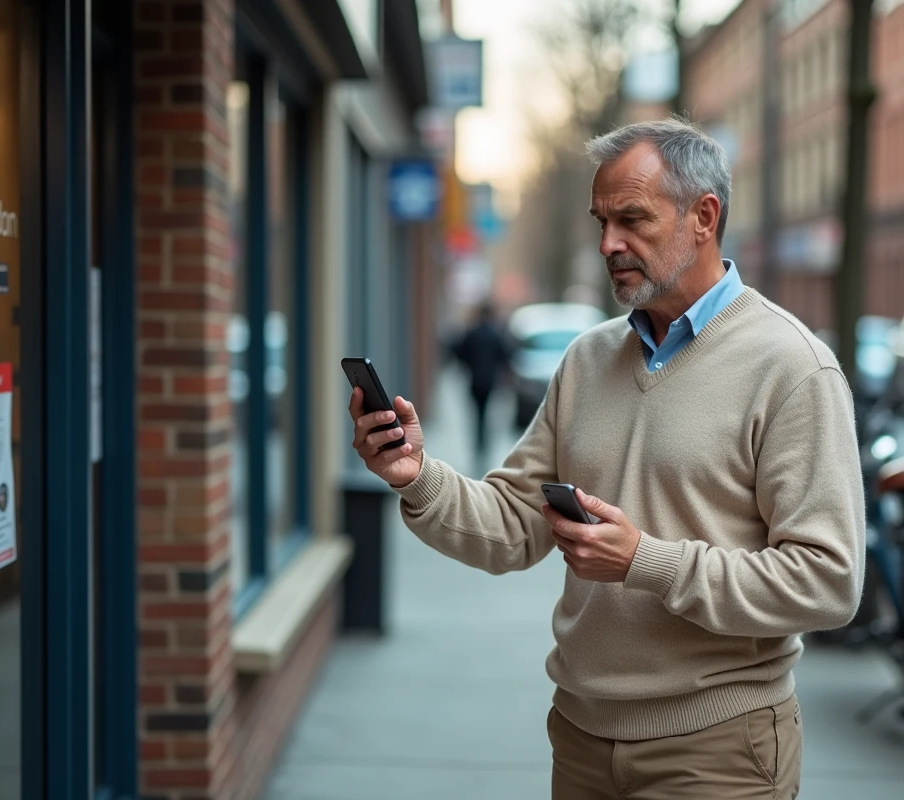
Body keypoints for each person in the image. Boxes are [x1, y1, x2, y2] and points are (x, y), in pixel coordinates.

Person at [349, 118, 865, 799]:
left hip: (717, 753)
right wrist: (418, 477)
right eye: (600, 221)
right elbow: (512, 525)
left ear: (704, 216)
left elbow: (828, 582)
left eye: (632, 219)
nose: (608, 244)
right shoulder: (588, 360)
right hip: (581, 737)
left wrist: (643, 560)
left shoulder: (791, 368)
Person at [450, 301, 512, 461]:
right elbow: (506, 355)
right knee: (485, 413)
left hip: (475, 380)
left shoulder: (472, 333)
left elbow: (458, 352)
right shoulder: (495, 334)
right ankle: (484, 445)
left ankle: (478, 444)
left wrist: (468, 366)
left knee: (477, 414)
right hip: (490, 381)